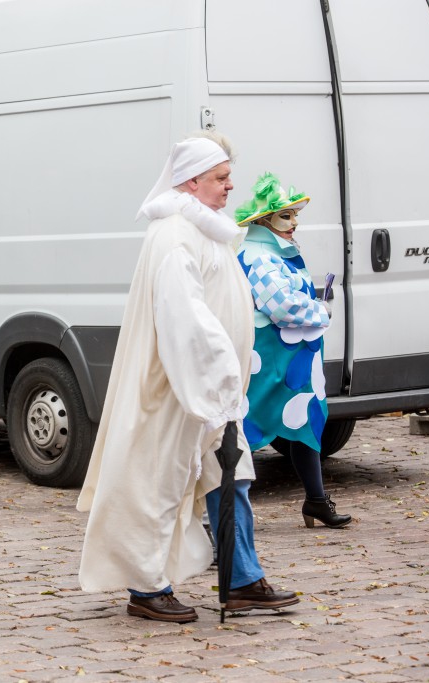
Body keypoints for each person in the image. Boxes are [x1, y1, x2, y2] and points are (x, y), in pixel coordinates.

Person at [77, 132, 300, 624]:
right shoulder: (174, 236)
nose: (230, 186)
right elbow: (186, 317)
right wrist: (217, 374)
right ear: (191, 181)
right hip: (176, 389)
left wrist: (225, 386)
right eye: (221, 178)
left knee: (231, 477)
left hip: (213, 392)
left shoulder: (207, 231)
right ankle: (147, 588)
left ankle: (242, 579)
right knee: (155, 485)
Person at [234, 173, 351, 529]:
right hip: (271, 361)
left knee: (305, 421)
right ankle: (219, 510)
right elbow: (281, 306)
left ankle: (316, 500)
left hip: (295, 358)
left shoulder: (275, 252)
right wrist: (321, 311)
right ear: (262, 222)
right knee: (247, 427)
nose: (294, 222)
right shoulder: (258, 256)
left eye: (295, 215)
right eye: (285, 216)